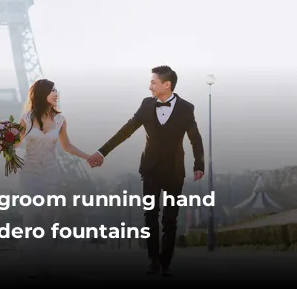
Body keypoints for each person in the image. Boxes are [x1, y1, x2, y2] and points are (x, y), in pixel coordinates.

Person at [87, 65, 205, 277]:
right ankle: (153, 262)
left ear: (166, 85)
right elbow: (126, 131)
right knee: (150, 216)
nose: (149, 86)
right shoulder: (145, 105)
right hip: (150, 170)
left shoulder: (186, 108)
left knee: (170, 219)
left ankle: (166, 264)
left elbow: (195, 139)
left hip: (174, 171)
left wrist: (199, 165)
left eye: (153, 82)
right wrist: (102, 152)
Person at [14, 78, 91, 278]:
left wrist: (88, 157)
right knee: (32, 215)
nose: (56, 94)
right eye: (52, 91)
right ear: (41, 94)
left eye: (56, 90)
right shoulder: (27, 118)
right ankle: (27, 258)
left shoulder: (60, 119)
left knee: (48, 217)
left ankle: (43, 260)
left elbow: (67, 146)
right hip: (30, 172)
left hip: (51, 173)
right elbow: (14, 143)